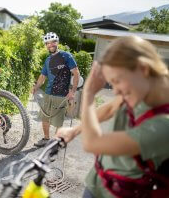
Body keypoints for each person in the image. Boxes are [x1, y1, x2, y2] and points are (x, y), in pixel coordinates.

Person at [56, 35, 169, 198]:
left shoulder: (163, 125)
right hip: (98, 183)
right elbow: (110, 108)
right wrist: (74, 130)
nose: (115, 91)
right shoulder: (141, 91)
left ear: (143, 69)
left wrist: (88, 94)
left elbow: (92, 143)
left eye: (117, 80)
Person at [32, 32, 80, 147]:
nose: (50, 45)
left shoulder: (66, 56)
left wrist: (72, 91)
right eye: (47, 43)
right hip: (48, 94)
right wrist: (35, 87)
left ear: (57, 42)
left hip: (62, 95)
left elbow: (76, 73)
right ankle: (46, 139)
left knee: (58, 121)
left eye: (53, 42)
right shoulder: (47, 60)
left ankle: (56, 141)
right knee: (45, 118)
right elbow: (42, 77)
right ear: (46, 45)